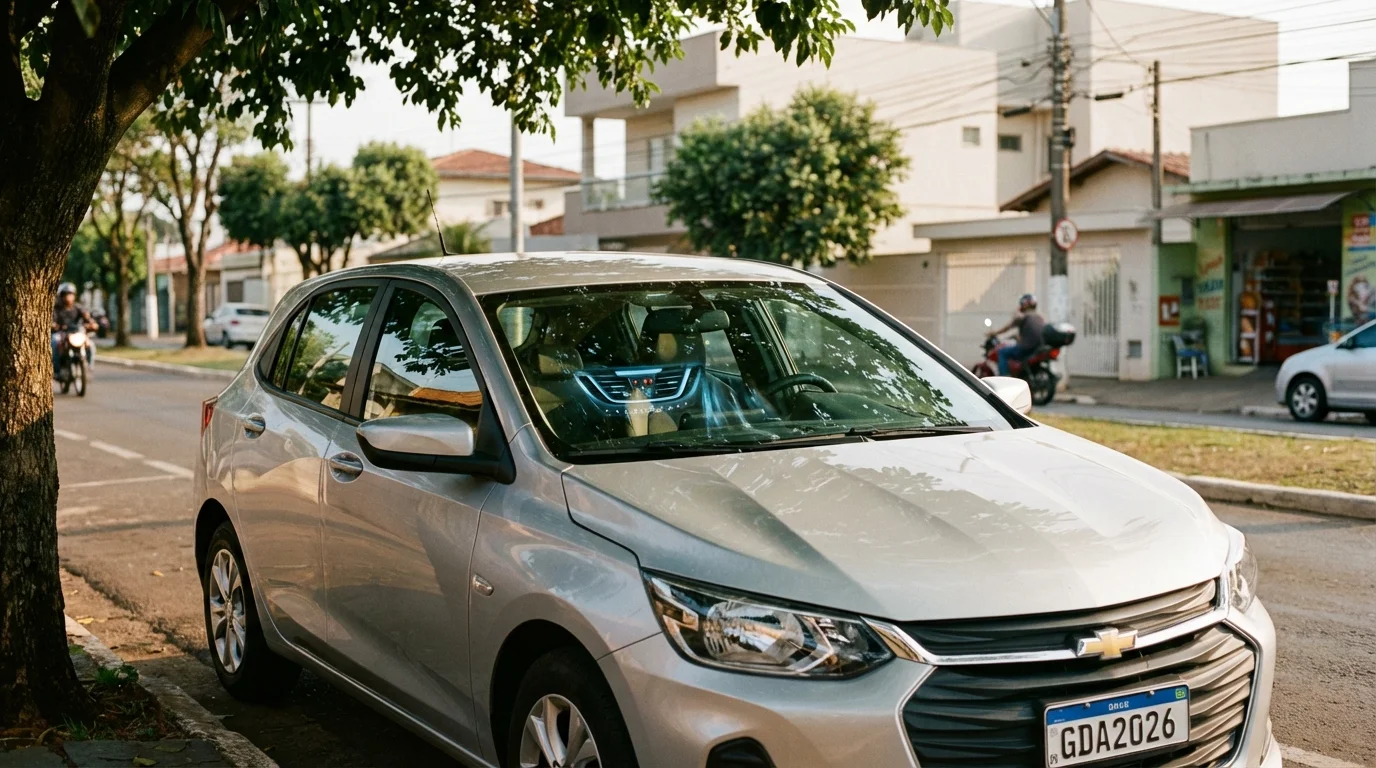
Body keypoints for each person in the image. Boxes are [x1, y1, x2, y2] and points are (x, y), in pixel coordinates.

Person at [986, 293, 1046, 376]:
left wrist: (994, 333)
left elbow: (1008, 327)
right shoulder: (1040, 317)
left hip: (1026, 348)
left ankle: (1005, 378)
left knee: (1002, 352)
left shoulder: (1023, 316)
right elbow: (1029, 332)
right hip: (1038, 347)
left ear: (1023, 304)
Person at [52, 282, 96, 378]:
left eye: (71, 294)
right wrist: (54, 325)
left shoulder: (78, 307)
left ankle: (89, 367)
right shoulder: (56, 308)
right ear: (62, 295)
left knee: (90, 345)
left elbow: (87, 317)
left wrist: (91, 323)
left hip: (76, 333)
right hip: (61, 333)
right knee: (55, 341)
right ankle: (57, 370)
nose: (69, 297)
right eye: (67, 294)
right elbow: (52, 321)